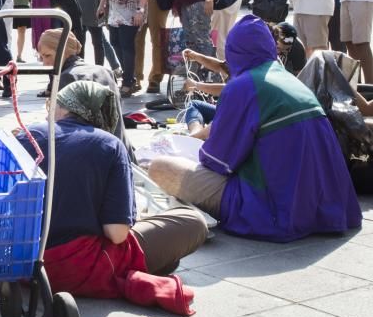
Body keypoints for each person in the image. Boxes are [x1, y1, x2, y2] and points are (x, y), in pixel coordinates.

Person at [148, 16, 361, 242]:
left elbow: (218, 161)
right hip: (325, 207)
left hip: (272, 208)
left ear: (234, 51)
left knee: (159, 166)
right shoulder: (290, 80)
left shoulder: (242, 86)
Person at [20, 81, 206, 314]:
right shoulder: (109, 144)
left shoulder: (27, 135)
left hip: (20, 264)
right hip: (78, 268)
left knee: (166, 255)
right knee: (192, 221)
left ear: (64, 106)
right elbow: (117, 234)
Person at [37, 29, 127, 145]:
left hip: (97, 152)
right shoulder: (105, 71)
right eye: (41, 58)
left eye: (47, 55)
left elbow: (62, 130)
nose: (45, 63)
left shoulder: (67, 77)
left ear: (64, 51)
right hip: (121, 149)